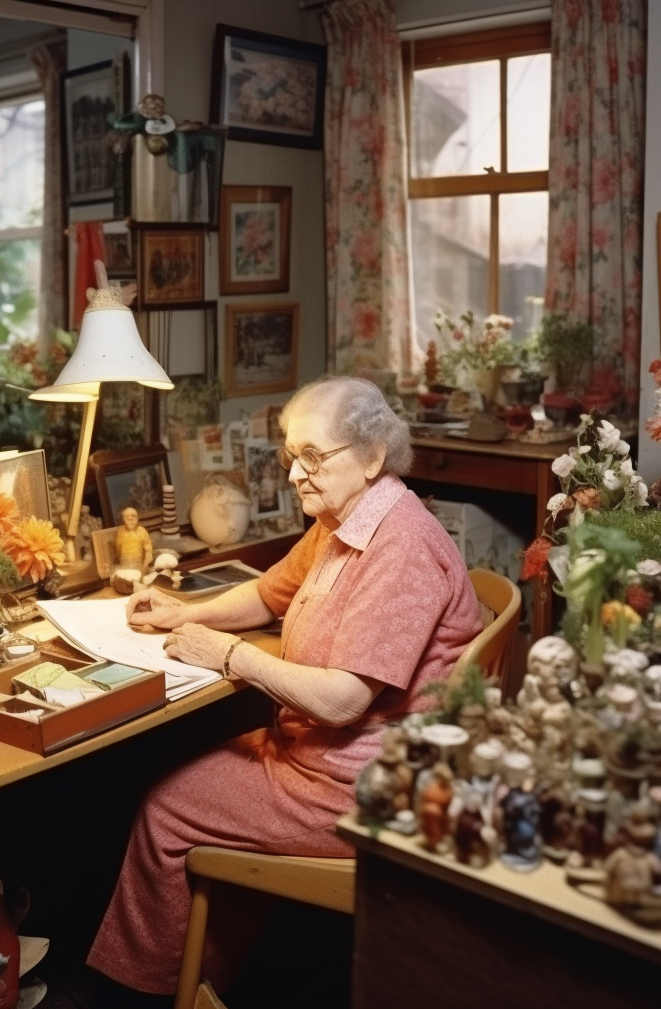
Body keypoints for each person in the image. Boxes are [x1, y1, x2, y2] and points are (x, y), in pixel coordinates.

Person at [87, 375, 483, 999]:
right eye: (291, 455)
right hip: (327, 758)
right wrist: (183, 613)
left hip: (362, 787)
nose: (296, 474)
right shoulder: (343, 518)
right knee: (187, 770)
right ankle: (212, 975)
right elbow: (270, 590)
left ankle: (154, 994)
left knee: (165, 808)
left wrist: (230, 655)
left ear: (373, 456)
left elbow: (343, 699)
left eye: (314, 457)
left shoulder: (400, 546)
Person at [114, 506, 153, 574]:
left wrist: (144, 567)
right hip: (125, 569)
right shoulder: (120, 531)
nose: (130, 518)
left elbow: (149, 552)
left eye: (133, 516)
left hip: (138, 569)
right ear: (123, 519)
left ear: (137, 518)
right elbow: (118, 550)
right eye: (127, 516)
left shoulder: (142, 531)